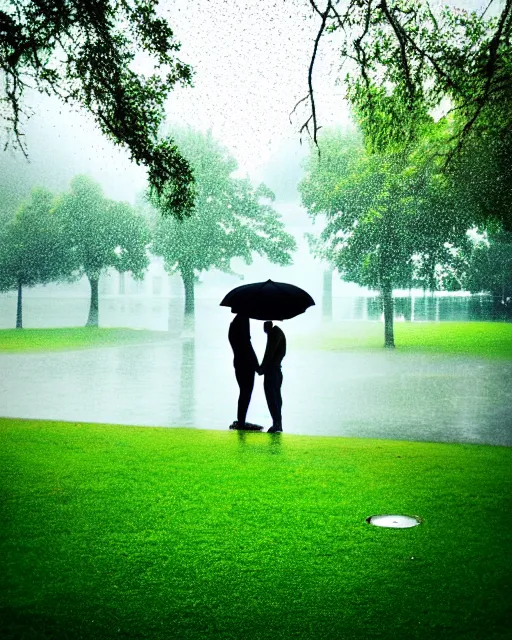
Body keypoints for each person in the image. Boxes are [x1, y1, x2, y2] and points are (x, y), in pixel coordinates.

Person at [228, 314, 260, 430]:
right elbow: (247, 345)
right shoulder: (244, 319)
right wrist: (257, 366)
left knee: (244, 392)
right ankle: (241, 421)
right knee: (246, 392)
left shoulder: (233, 324)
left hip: (238, 361)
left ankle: (241, 420)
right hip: (246, 363)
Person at [258, 321, 286, 433]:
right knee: (276, 397)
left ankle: (277, 423)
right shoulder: (276, 332)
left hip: (272, 372)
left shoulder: (274, 334)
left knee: (272, 398)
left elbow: (268, 354)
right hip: (275, 371)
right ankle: (277, 422)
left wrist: (261, 368)